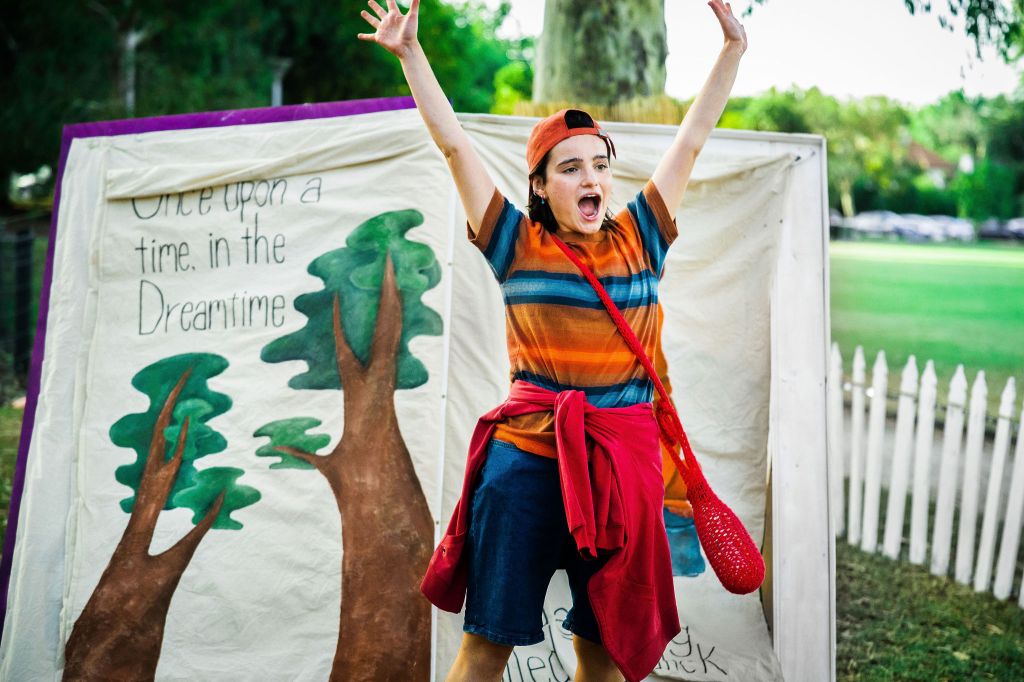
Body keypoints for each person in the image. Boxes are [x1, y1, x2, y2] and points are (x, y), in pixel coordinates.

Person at [359, 1, 747, 680]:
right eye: (569, 168)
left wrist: (732, 51)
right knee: (486, 648)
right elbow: (455, 147)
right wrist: (411, 55)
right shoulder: (516, 241)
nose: (590, 178)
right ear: (539, 186)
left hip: (621, 470)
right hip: (527, 465)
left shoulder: (641, 236)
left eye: (599, 164)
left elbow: (689, 142)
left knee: (601, 654)